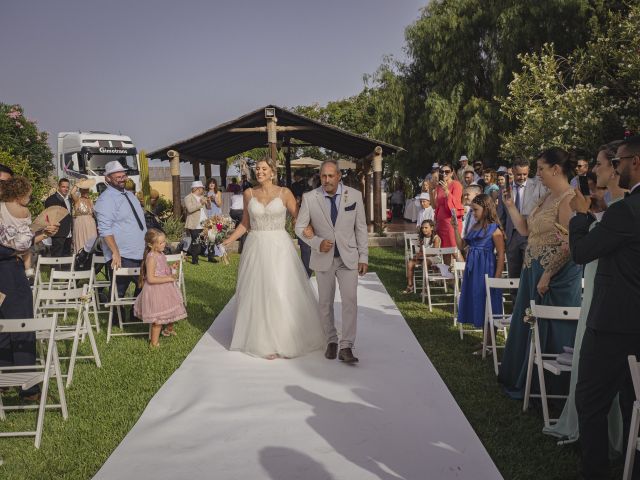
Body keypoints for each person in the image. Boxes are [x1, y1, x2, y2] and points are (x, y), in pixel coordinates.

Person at [542, 141, 625, 454]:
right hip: (600, 295)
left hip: (608, 304)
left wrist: (580, 216)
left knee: (595, 385)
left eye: (601, 165)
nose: (595, 170)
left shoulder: (620, 212)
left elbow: (583, 252)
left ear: (617, 168)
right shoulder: (613, 211)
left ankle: (600, 454)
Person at [569, 136, 640, 479]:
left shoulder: (627, 210)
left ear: (633, 162)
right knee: (633, 404)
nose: (620, 167)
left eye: (622, 160)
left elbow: (582, 253)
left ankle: (595, 472)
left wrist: (581, 217)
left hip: (614, 325)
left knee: (590, 402)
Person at [497, 147, 582, 399]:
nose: (538, 174)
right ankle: (522, 376)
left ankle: (549, 388)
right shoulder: (544, 197)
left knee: (549, 328)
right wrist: (510, 206)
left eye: (541, 169)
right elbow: (525, 231)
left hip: (553, 276)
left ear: (556, 169)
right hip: (531, 269)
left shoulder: (568, 199)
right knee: (526, 322)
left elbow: (570, 243)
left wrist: (547, 274)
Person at [222, 158, 325, 359]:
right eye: (257, 169)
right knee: (258, 292)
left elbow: (298, 219)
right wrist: (229, 239)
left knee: (280, 289)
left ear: (272, 172)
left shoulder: (284, 193)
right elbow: (245, 223)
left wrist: (314, 235)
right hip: (256, 246)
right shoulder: (248, 193)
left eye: (263, 169)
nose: (259, 172)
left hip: (279, 246)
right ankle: (264, 341)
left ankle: (286, 339)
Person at [295, 159, 369, 364]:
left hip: (348, 258)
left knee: (350, 301)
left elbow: (361, 228)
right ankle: (331, 340)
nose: (326, 180)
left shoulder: (354, 196)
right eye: (323, 176)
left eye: (330, 176)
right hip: (323, 258)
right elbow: (299, 228)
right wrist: (317, 243)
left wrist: (364, 256)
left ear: (338, 176)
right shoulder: (310, 197)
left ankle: (346, 346)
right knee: (325, 303)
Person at [0, 175, 59, 401]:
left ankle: (3, 380)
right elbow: (22, 244)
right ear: (19, 194)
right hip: (12, 274)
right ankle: (28, 387)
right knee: (23, 326)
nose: (30, 197)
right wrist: (40, 235)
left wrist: (42, 234)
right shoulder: (21, 213)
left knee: (3, 326)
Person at [94, 160, 147, 306]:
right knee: (119, 291)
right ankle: (117, 319)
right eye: (118, 177)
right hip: (122, 254)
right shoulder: (105, 199)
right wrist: (115, 252)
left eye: (124, 176)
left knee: (143, 285)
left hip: (140, 250)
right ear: (108, 179)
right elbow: (104, 230)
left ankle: (136, 313)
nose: (122, 179)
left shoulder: (129, 195)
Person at [452, 194, 504, 330]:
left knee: (488, 300)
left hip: (486, 268)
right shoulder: (474, 227)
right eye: (472, 210)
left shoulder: (494, 229)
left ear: (486, 209)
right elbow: (461, 246)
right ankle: (484, 340)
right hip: (473, 270)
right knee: (477, 299)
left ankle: (489, 341)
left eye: (475, 210)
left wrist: (497, 278)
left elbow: (501, 254)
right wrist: (455, 228)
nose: (473, 213)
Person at [134, 229, 187, 348]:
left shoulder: (161, 254)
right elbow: (151, 278)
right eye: (161, 243)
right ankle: (154, 343)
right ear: (151, 244)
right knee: (157, 318)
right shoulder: (151, 257)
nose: (164, 244)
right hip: (155, 290)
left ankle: (168, 329)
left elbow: (162, 269)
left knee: (169, 309)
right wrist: (168, 278)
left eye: (164, 241)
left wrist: (170, 268)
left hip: (165, 288)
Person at [497, 158, 532, 294]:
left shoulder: (536, 187)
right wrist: (503, 234)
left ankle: (530, 310)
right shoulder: (504, 190)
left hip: (530, 236)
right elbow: (501, 216)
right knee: (514, 275)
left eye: (525, 174)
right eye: (518, 174)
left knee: (529, 273)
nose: (522, 177)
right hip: (512, 237)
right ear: (512, 172)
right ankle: (515, 310)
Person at [429, 162, 464, 251]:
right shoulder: (439, 186)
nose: (444, 173)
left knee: (454, 250)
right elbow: (434, 206)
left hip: (451, 223)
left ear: (452, 173)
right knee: (444, 250)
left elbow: (456, 204)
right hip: (441, 223)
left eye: (447, 171)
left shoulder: (456, 185)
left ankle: (461, 265)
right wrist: (430, 190)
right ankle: (447, 266)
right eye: (442, 171)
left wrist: (447, 191)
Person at [402, 219, 441, 294]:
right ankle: (410, 286)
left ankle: (425, 288)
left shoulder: (436, 238)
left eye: (426, 228)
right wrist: (418, 255)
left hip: (434, 257)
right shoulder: (422, 237)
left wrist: (423, 255)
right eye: (422, 228)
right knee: (410, 263)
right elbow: (421, 250)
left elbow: (434, 252)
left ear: (431, 228)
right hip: (424, 257)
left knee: (425, 263)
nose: (424, 229)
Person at [44, 178, 73, 257]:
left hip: (69, 233)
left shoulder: (69, 200)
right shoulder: (51, 199)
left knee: (66, 257)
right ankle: (54, 269)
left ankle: (66, 269)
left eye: (67, 187)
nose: (66, 189)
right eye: (63, 187)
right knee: (56, 257)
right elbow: (48, 216)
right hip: (58, 233)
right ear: (59, 187)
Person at [183, 180, 209, 265]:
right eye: (202, 188)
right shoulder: (188, 197)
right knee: (196, 242)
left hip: (204, 224)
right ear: (197, 189)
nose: (203, 190)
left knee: (203, 241)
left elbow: (208, 208)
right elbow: (190, 209)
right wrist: (200, 203)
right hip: (194, 224)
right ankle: (195, 260)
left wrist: (208, 202)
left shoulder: (203, 197)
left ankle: (188, 253)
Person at [70, 178, 97, 253]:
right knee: (80, 241)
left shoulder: (91, 200)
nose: (86, 191)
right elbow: (72, 193)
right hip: (80, 222)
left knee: (91, 240)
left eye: (86, 189)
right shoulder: (77, 199)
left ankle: (91, 259)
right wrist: (78, 184)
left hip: (90, 223)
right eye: (84, 189)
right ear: (81, 190)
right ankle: (80, 258)